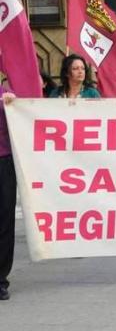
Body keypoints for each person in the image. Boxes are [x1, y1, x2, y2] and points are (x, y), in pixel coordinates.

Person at [0, 88, 16, 300]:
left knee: (4, 221)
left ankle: (0, 279)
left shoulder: (6, 95)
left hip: (3, 161)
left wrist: (14, 104)